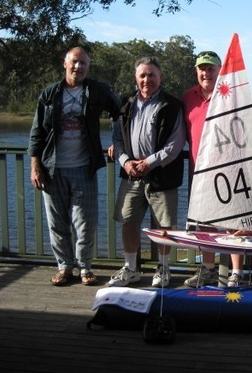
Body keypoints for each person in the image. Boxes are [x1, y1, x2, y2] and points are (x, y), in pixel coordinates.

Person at [28, 46, 121, 286]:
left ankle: (84, 267)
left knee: (86, 222)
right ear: (65, 64)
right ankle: (64, 267)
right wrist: (35, 165)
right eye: (75, 62)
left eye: (83, 64)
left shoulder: (97, 91)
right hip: (52, 169)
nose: (78, 67)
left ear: (88, 67)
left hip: (84, 167)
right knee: (57, 223)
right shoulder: (50, 94)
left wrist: (116, 141)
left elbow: (120, 112)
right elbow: (37, 132)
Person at [182, 51, 252, 288]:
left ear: (220, 71)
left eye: (211, 68)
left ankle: (235, 273)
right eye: (202, 68)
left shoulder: (236, 95)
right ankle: (208, 270)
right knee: (205, 221)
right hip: (200, 171)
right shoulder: (189, 97)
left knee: (234, 220)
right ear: (197, 71)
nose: (206, 73)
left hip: (230, 169)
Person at [108, 56, 185, 288]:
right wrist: (125, 162)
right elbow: (116, 138)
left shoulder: (173, 105)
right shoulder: (125, 103)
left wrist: (149, 162)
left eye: (151, 75)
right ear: (136, 78)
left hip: (161, 175)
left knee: (163, 226)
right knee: (128, 222)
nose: (146, 79)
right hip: (131, 175)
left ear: (160, 77)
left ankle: (163, 268)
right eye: (142, 75)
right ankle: (131, 269)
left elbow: (176, 143)